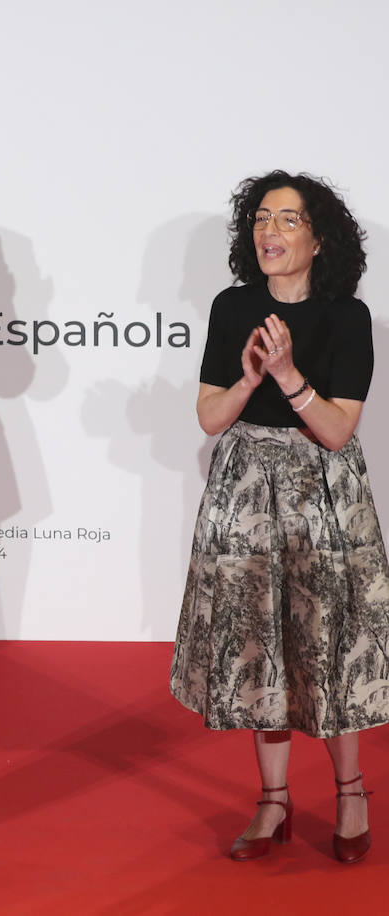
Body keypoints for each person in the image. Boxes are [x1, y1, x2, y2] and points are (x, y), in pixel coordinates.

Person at [171, 170, 389, 865]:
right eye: (262, 218)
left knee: (328, 640)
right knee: (257, 642)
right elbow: (209, 417)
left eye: (288, 220)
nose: (270, 231)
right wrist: (250, 378)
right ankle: (272, 801)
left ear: (319, 239)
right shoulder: (232, 308)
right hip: (243, 495)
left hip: (323, 497)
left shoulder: (348, 317)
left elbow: (337, 432)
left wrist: (291, 377)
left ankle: (350, 791)